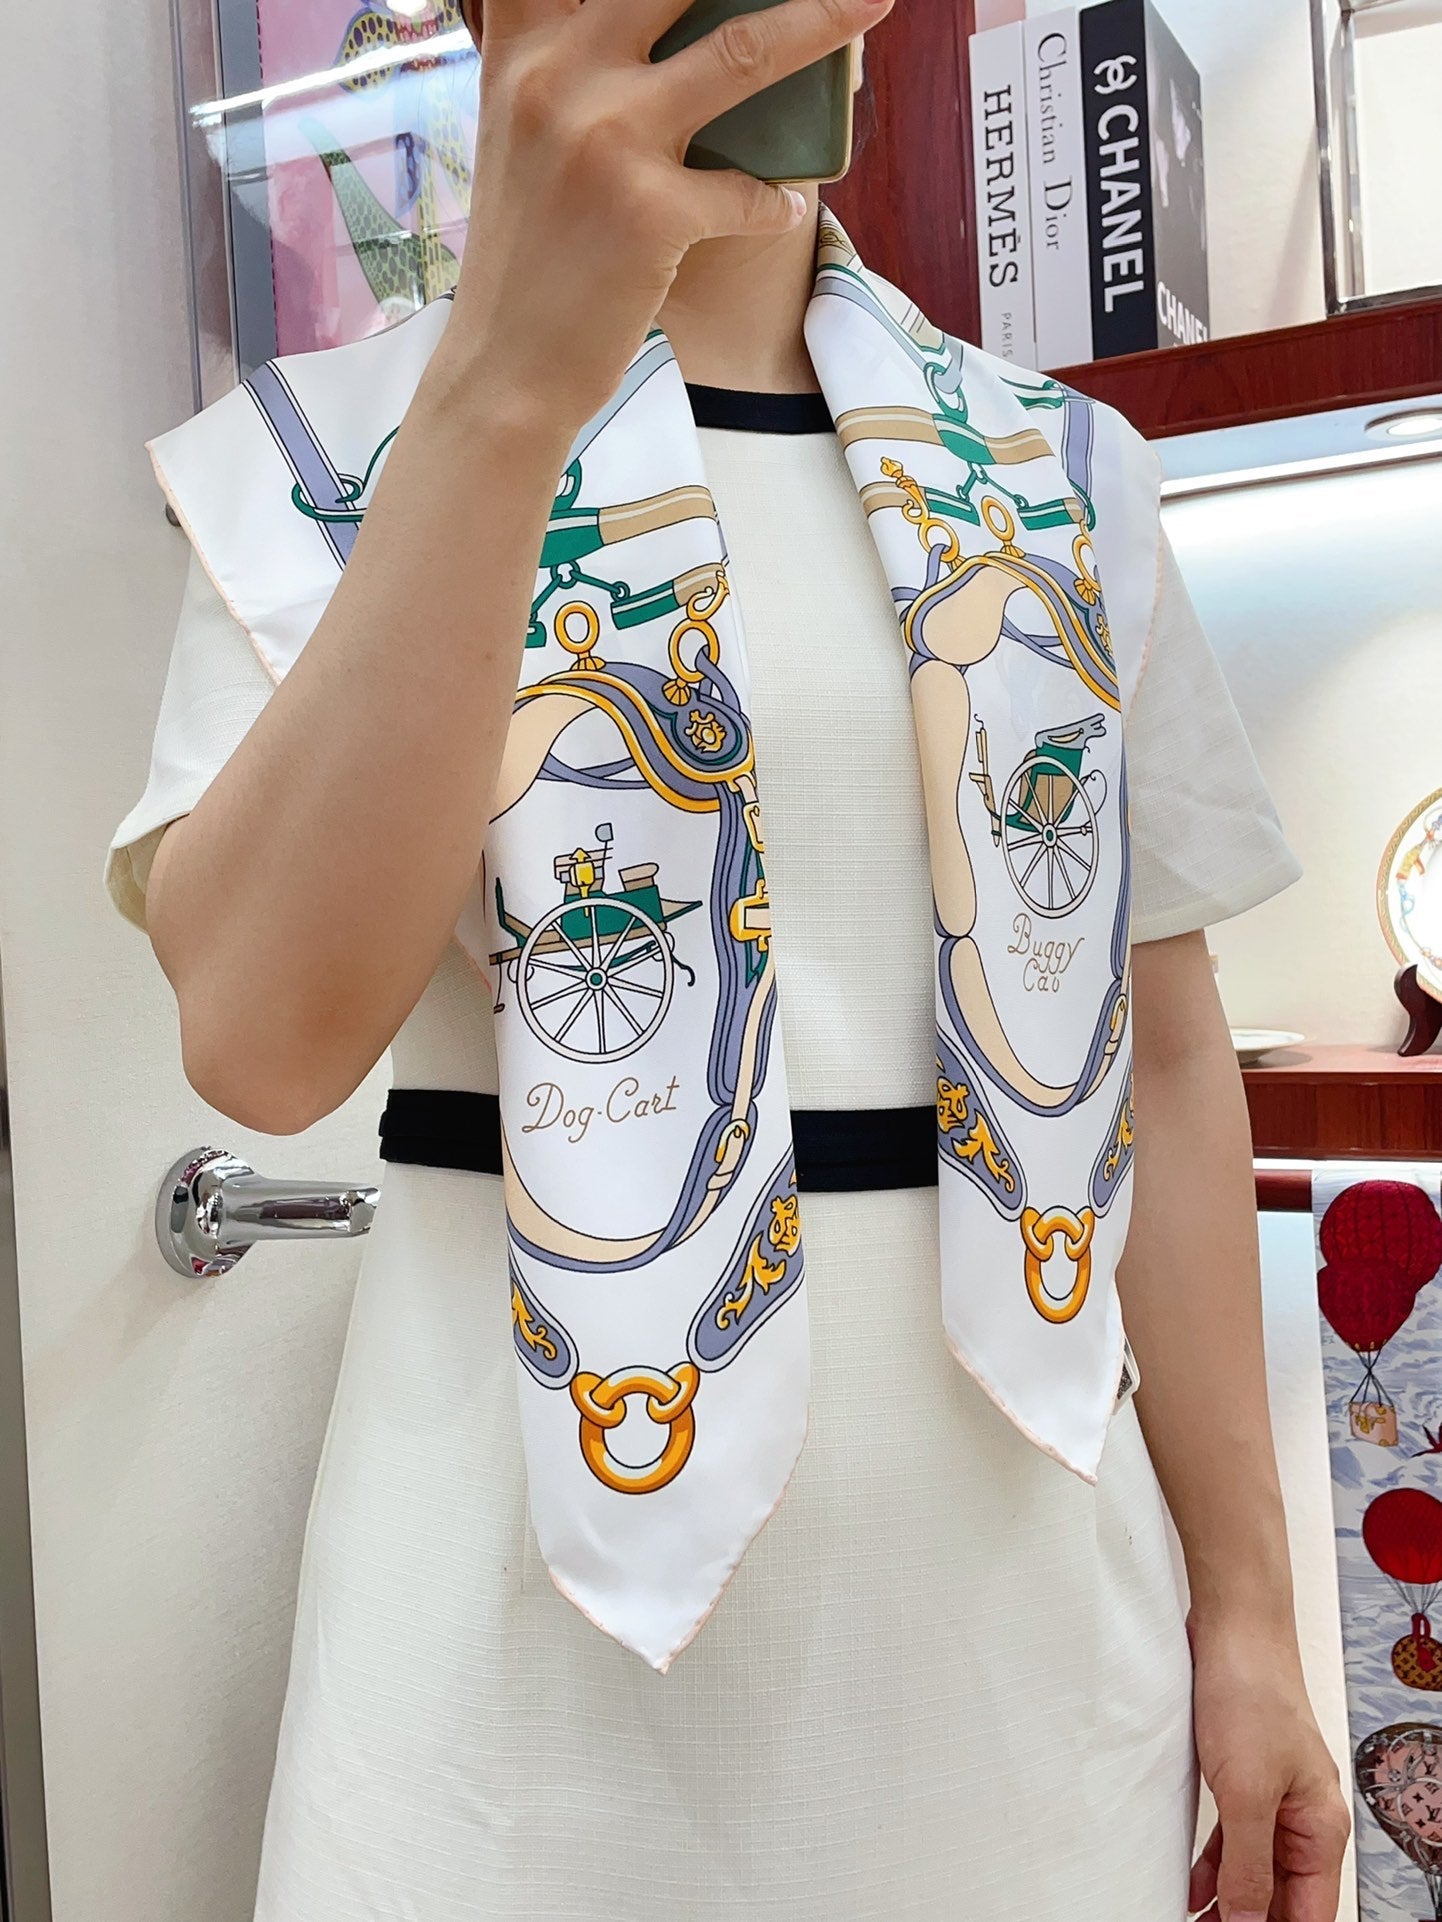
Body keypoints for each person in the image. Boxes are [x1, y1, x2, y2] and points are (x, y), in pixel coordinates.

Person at [105, 0, 1351, 1914]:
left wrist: (1250, 1613)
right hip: (498, 1707)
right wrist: (508, 382)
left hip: (1026, 1669)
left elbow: (1166, 1063)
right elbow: (263, 1042)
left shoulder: (1053, 472)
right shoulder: (320, 460)